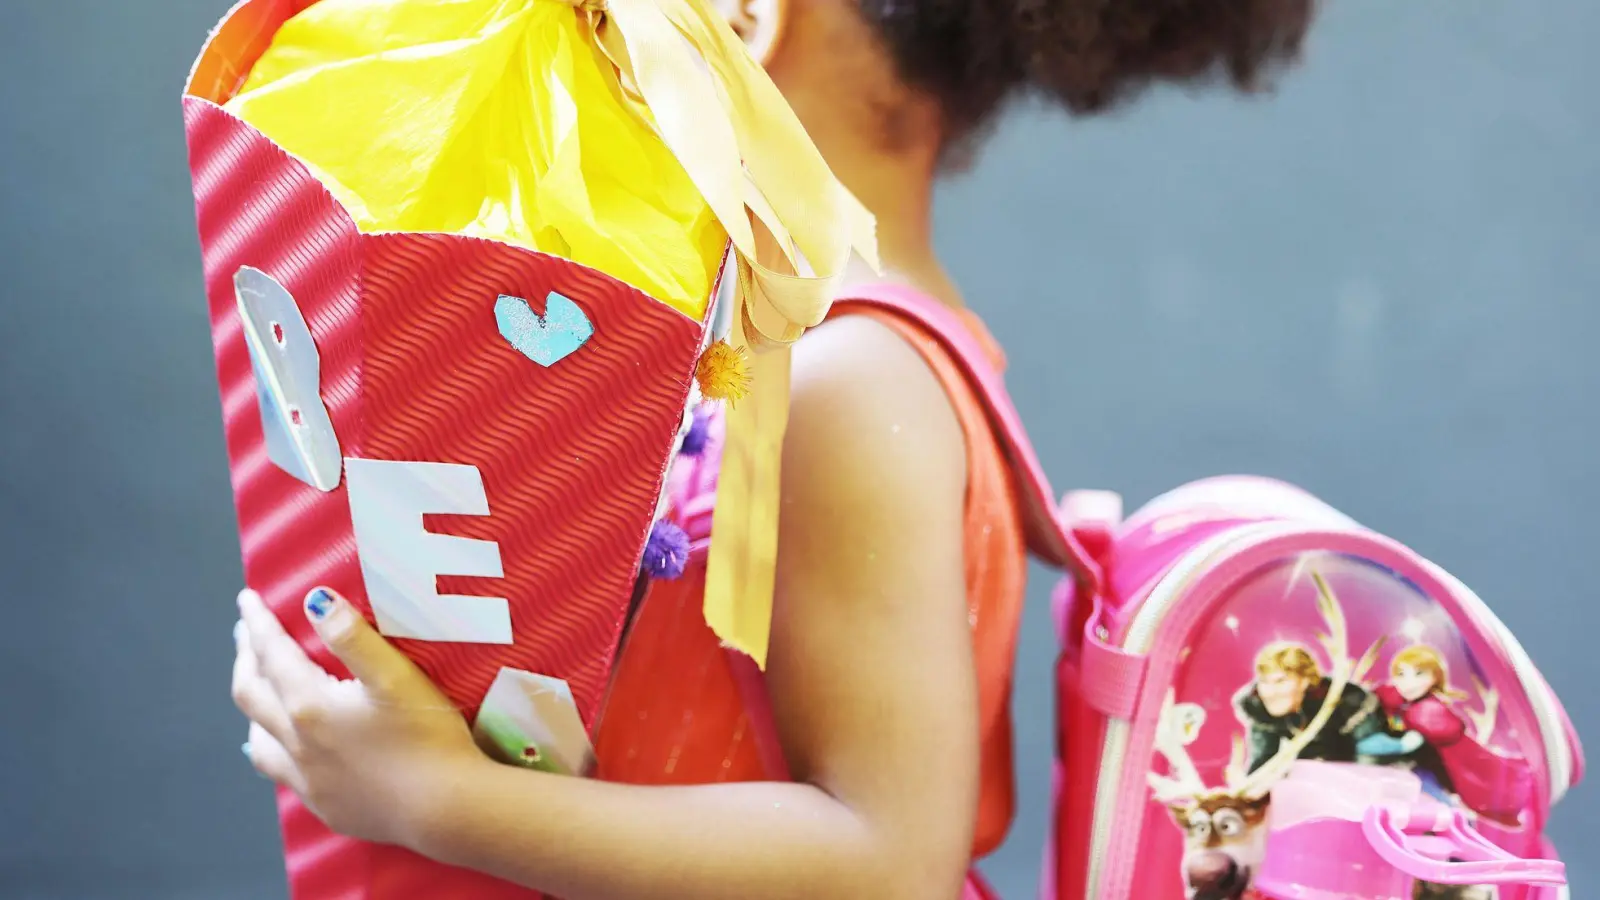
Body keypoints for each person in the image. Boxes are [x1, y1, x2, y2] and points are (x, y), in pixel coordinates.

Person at [229, 0, 1318, 896]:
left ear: (749, 16)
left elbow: (889, 862)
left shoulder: (845, 376)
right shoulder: (818, 348)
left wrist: (432, 799)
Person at [1374, 644, 1534, 825]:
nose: (1408, 683)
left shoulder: (1428, 712)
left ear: (1434, 677)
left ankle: (1461, 827)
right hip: (1420, 769)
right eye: (1401, 674)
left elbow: (1431, 732)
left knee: (1444, 809)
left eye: (1419, 674)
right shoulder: (1405, 703)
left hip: (1434, 772)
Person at [1234, 642, 1382, 773]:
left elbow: (1371, 763)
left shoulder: (1349, 705)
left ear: (1304, 681)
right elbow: (1262, 763)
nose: (1270, 692)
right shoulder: (1260, 710)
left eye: (1280, 681)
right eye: (1264, 682)